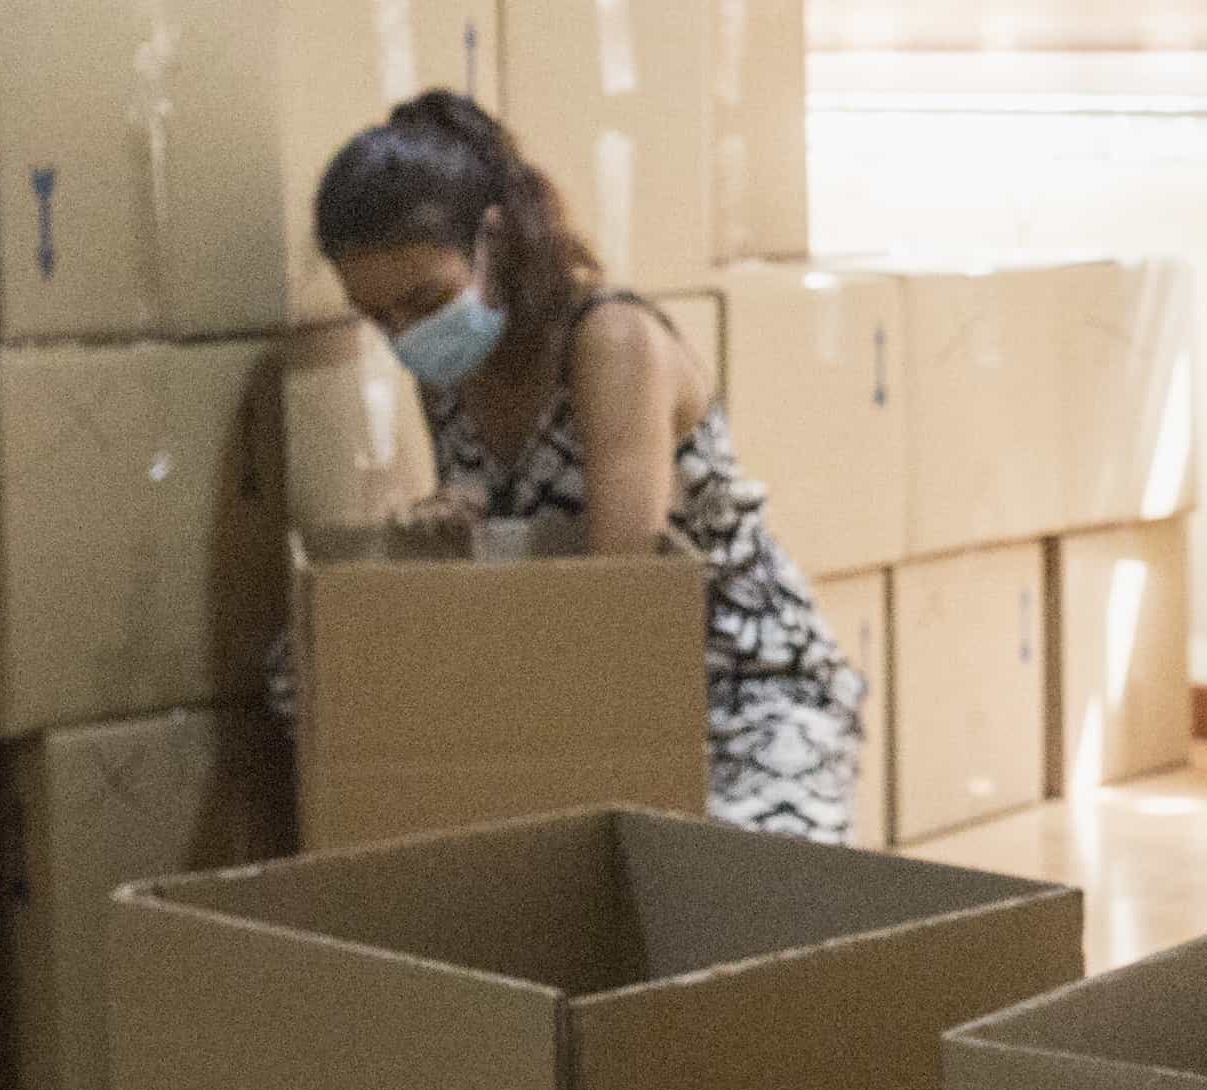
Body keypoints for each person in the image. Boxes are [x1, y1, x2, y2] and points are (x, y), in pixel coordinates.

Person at [309, 90, 867, 840]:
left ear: (494, 242)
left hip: (733, 687)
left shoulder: (611, 343)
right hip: (567, 672)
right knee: (311, 670)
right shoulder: (445, 364)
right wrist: (453, 524)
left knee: (715, 889)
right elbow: (512, 530)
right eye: (379, 317)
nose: (405, 335)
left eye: (423, 299)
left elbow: (620, 595)